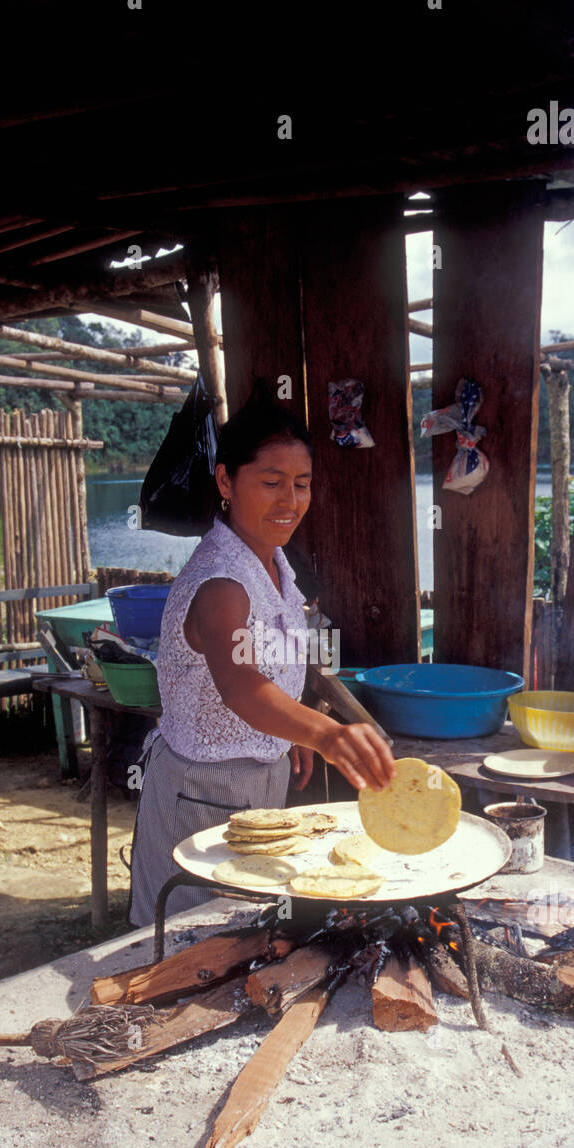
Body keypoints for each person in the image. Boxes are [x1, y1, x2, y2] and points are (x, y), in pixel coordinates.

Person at [128, 384, 395, 926]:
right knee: (191, 937)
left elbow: (274, 662)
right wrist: (324, 734)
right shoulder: (221, 581)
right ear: (226, 480)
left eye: (302, 484)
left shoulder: (275, 565)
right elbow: (241, 683)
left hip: (257, 777)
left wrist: (287, 730)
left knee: (245, 933)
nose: (290, 501)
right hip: (202, 792)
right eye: (271, 483)